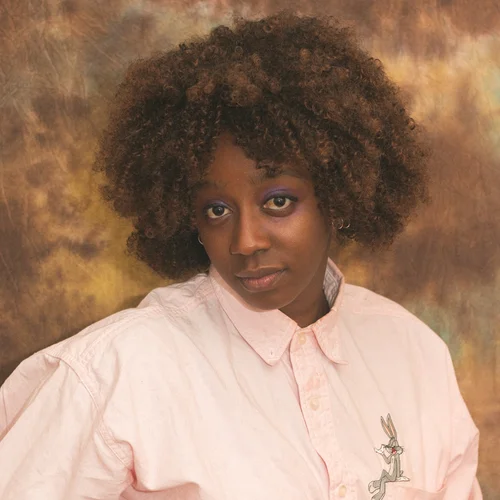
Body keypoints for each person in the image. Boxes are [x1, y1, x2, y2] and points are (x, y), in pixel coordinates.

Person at [0, 10, 481, 500]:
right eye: (217, 209)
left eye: (278, 201)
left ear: (338, 195)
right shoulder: (117, 371)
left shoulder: (415, 355)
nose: (245, 241)